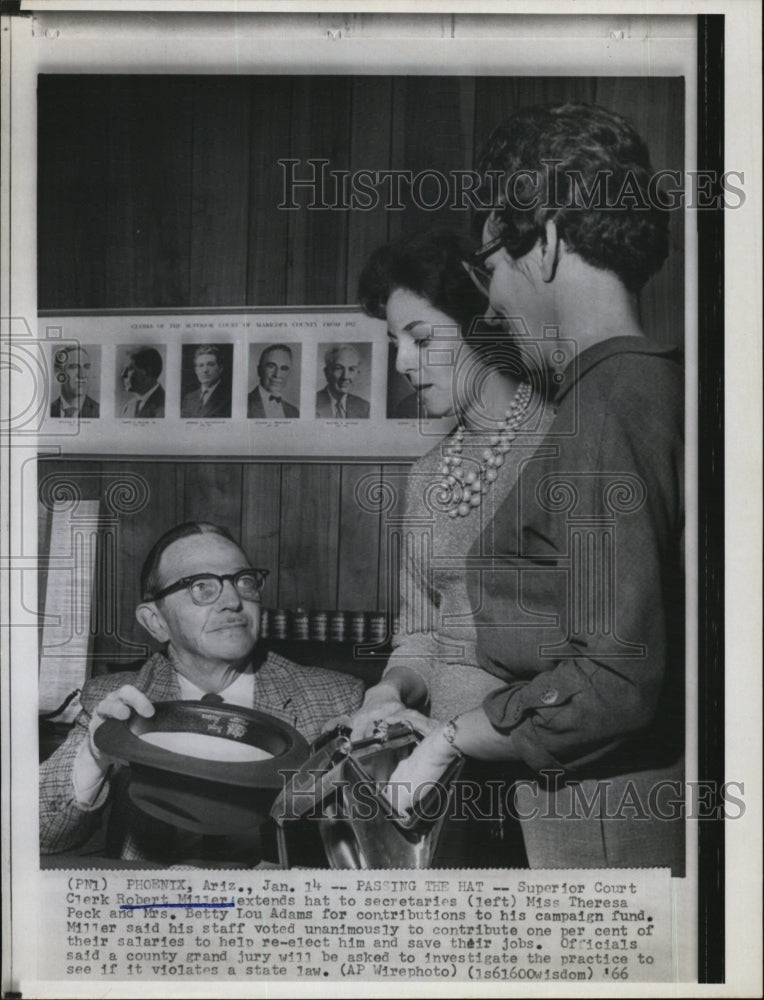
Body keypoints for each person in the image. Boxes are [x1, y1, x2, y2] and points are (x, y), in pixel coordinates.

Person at [369, 103, 685, 873]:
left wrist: (450, 736)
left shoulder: (598, 408)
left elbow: (613, 678)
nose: (496, 300)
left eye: (493, 266)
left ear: (541, 243)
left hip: (601, 811)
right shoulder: (663, 385)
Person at [354, 227, 554, 864]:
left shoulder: (563, 447)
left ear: (481, 326)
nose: (403, 365)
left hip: (545, 775)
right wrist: (390, 689)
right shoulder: (425, 475)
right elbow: (422, 633)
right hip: (441, 779)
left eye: (420, 338)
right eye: (395, 345)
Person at [39, 521, 364, 862]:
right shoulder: (114, 702)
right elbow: (44, 838)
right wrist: (95, 756)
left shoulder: (339, 701)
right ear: (156, 622)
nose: (233, 601)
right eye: (202, 586)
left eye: (244, 581)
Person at [315, 344, 370, 419]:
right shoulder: (312, 403)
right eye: (339, 368)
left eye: (351, 369)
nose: (345, 376)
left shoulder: (365, 407)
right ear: (327, 372)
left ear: (357, 372)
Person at [248, 343, 300, 418]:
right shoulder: (242, 405)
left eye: (284, 368)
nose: (277, 375)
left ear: (289, 373)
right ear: (259, 370)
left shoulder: (294, 412)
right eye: (271, 366)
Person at [181, 344, 231, 418]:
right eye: (201, 365)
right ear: (196, 371)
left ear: (220, 368)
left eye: (210, 364)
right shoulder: (189, 398)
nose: (205, 370)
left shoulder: (229, 396)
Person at [50, 345, 100, 418]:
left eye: (86, 367)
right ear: (58, 374)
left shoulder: (98, 411)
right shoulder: (48, 411)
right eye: (74, 367)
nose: (82, 375)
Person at [120, 347, 165, 418]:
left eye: (130, 369)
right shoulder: (128, 407)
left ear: (147, 372)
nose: (123, 374)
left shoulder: (165, 407)